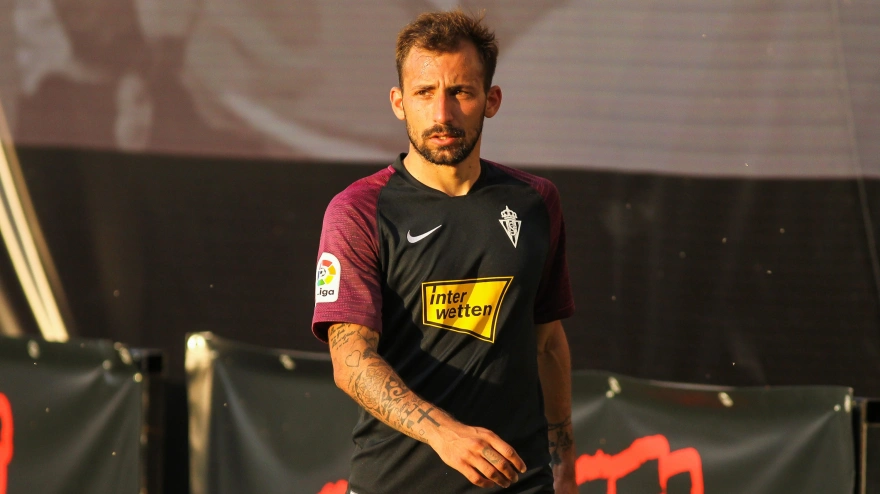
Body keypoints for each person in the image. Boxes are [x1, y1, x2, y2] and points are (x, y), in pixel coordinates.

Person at [312, 10, 576, 493]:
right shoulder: (358, 210)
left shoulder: (536, 202)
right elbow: (350, 359)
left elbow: (548, 342)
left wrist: (563, 469)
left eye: (461, 92)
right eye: (424, 92)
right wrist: (446, 435)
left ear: (491, 100)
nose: (442, 115)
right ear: (398, 102)